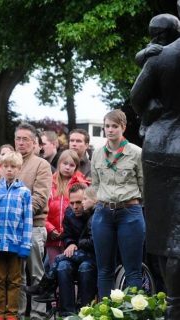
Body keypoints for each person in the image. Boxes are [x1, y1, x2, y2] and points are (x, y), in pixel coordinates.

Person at [130, 13, 180, 318]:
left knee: (168, 234)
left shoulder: (161, 57)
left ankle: (175, 303)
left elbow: (137, 97)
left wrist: (151, 115)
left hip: (163, 145)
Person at [90, 110, 144, 299]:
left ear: (123, 127)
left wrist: (133, 202)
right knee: (104, 270)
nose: (110, 130)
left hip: (130, 212)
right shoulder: (96, 154)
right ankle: (107, 313)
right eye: (107, 126)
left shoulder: (137, 153)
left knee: (133, 270)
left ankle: (135, 312)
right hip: (103, 213)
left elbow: (144, 184)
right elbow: (95, 184)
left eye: (115, 126)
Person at [26, 184, 97, 317]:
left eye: (79, 202)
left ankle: (85, 311)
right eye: (72, 203)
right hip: (76, 254)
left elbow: (94, 242)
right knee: (63, 266)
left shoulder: (94, 214)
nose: (75, 206)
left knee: (79, 265)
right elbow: (67, 235)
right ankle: (66, 314)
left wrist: (77, 244)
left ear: (87, 199)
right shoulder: (69, 214)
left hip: (92, 255)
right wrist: (70, 243)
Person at [0, 151, 33, 320]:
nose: (9, 170)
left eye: (13, 167)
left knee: (14, 280)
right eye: (6, 166)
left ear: (19, 169)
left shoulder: (24, 192)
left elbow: (28, 221)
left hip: (16, 244)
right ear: (0, 168)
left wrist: (25, 245)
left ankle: (11, 313)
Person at [14, 123, 52, 320]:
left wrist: (16, 214)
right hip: (12, 229)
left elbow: (40, 197)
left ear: (34, 142)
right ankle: (19, 313)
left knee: (36, 274)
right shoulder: (10, 163)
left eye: (25, 139)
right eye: (18, 139)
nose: (21, 143)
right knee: (17, 275)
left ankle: (38, 314)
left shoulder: (41, 165)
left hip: (34, 226)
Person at [45, 150, 89, 265]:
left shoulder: (81, 185)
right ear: (59, 164)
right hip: (52, 237)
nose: (67, 167)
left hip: (72, 237)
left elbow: (86, 211)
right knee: (54, 265)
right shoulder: (49, 183)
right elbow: (43, 209)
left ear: (76, 167)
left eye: (72, 165)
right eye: (65, 164)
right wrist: (50, 229)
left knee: (68, 268)